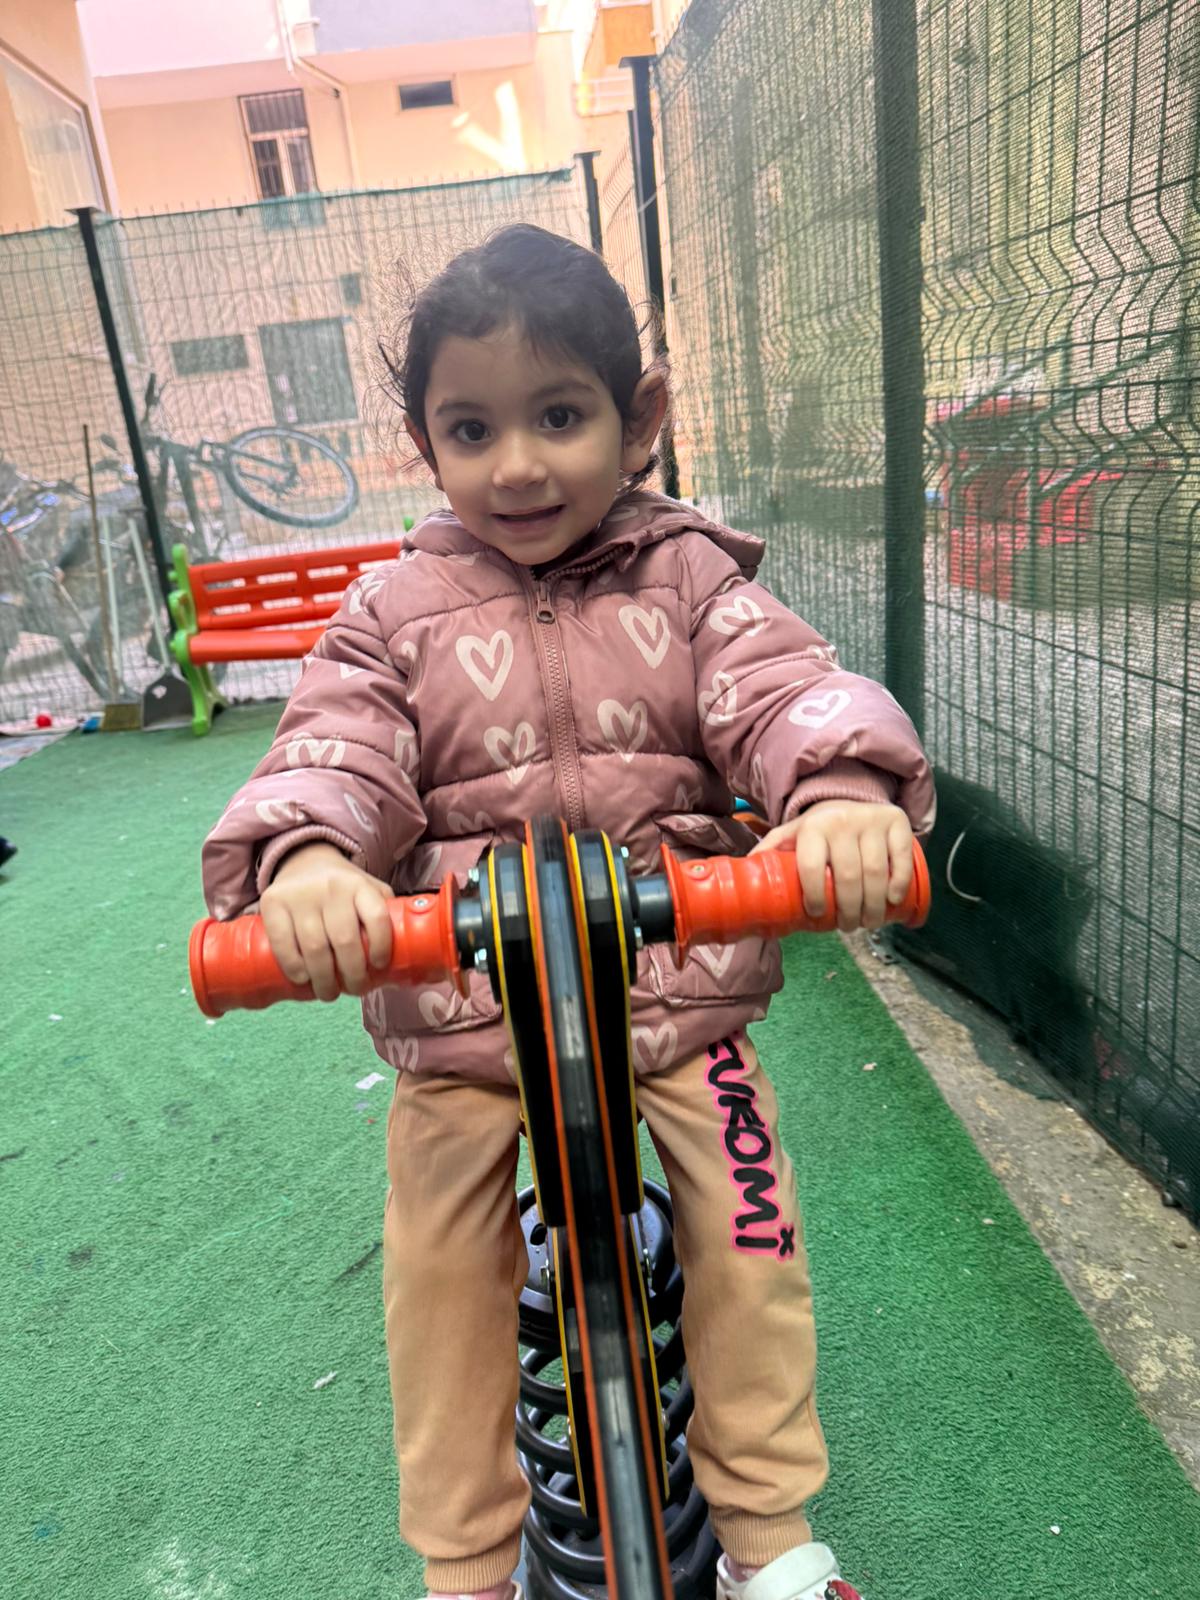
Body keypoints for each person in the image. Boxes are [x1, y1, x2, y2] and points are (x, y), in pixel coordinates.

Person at [201, 225, 935, 1600]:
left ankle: (769, 1538)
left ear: (638, 417)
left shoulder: (691, 581)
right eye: (472, 429)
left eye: (559, 415)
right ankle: (466, 1563)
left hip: (675, 1003)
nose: (518, 466)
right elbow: (338, 744)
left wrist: (838, 794)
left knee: (750, 1236)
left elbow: (782, 688)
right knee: (440, 1270)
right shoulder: (391, 611)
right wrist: (311, 863)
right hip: (469, 1015)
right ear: (425, 444)